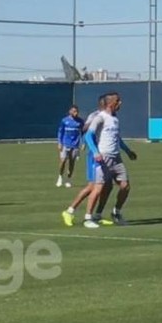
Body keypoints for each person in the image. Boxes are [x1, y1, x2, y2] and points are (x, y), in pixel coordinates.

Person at [82, 92, 137, 228]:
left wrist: (128, 151)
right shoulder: (100, 118)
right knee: (98, 188)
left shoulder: (115, 119)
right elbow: (88, 136)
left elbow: (117, 139)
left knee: (125, 186)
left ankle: (116, 212)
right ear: (111, 103)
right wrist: (96, 152)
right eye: (118, 101)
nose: (120, 103)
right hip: (103, 157)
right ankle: (88, 218)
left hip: (116, 157)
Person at [63, 96, 106, 226]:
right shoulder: (96, 115)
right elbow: (86, 130)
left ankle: (97, 215)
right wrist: (88, 145)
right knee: (93, 186)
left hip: (106, 156)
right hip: (95, 155)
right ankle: (71, 211)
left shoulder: (111, 117)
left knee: (105, 186)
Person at [56, 105, 84, 187]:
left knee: (72, 163)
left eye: (77, 111)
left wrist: (83, 143)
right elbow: (60, 132)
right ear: (70, 112)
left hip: (75, 145)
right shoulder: (64, 121)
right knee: (63, 161)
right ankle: (60, 177)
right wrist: (59, 143)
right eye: (74, 111)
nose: (76, 113)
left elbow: (83, 133)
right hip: (65, 144)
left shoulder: (80, 121)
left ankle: (68, 180)